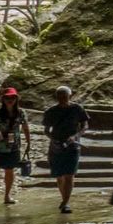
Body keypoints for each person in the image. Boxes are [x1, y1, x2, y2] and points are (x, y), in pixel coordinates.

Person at [42, 86, 89, 214]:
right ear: (56, 97)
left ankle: (66, 202)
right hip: (56, 146)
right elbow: (46, 130)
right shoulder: (51, 111)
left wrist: (76, 136)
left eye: (65, 96)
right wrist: (54, 139)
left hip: (72, 146)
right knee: (59, 175)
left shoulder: (77, 109)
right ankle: (64, 199)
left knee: (69, 174)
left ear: (70, 96)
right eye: (60, 97)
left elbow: (85, 125)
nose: (62, 99)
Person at [0, 87, 32, 207]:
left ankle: (7, 196)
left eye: (12, 98)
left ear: (16, 99)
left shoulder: (21, 113)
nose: (10, 100)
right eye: (7, 98)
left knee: (10, 171)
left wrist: (28, 142)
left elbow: (25, 127)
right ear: (3, 99)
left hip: (13, 146)